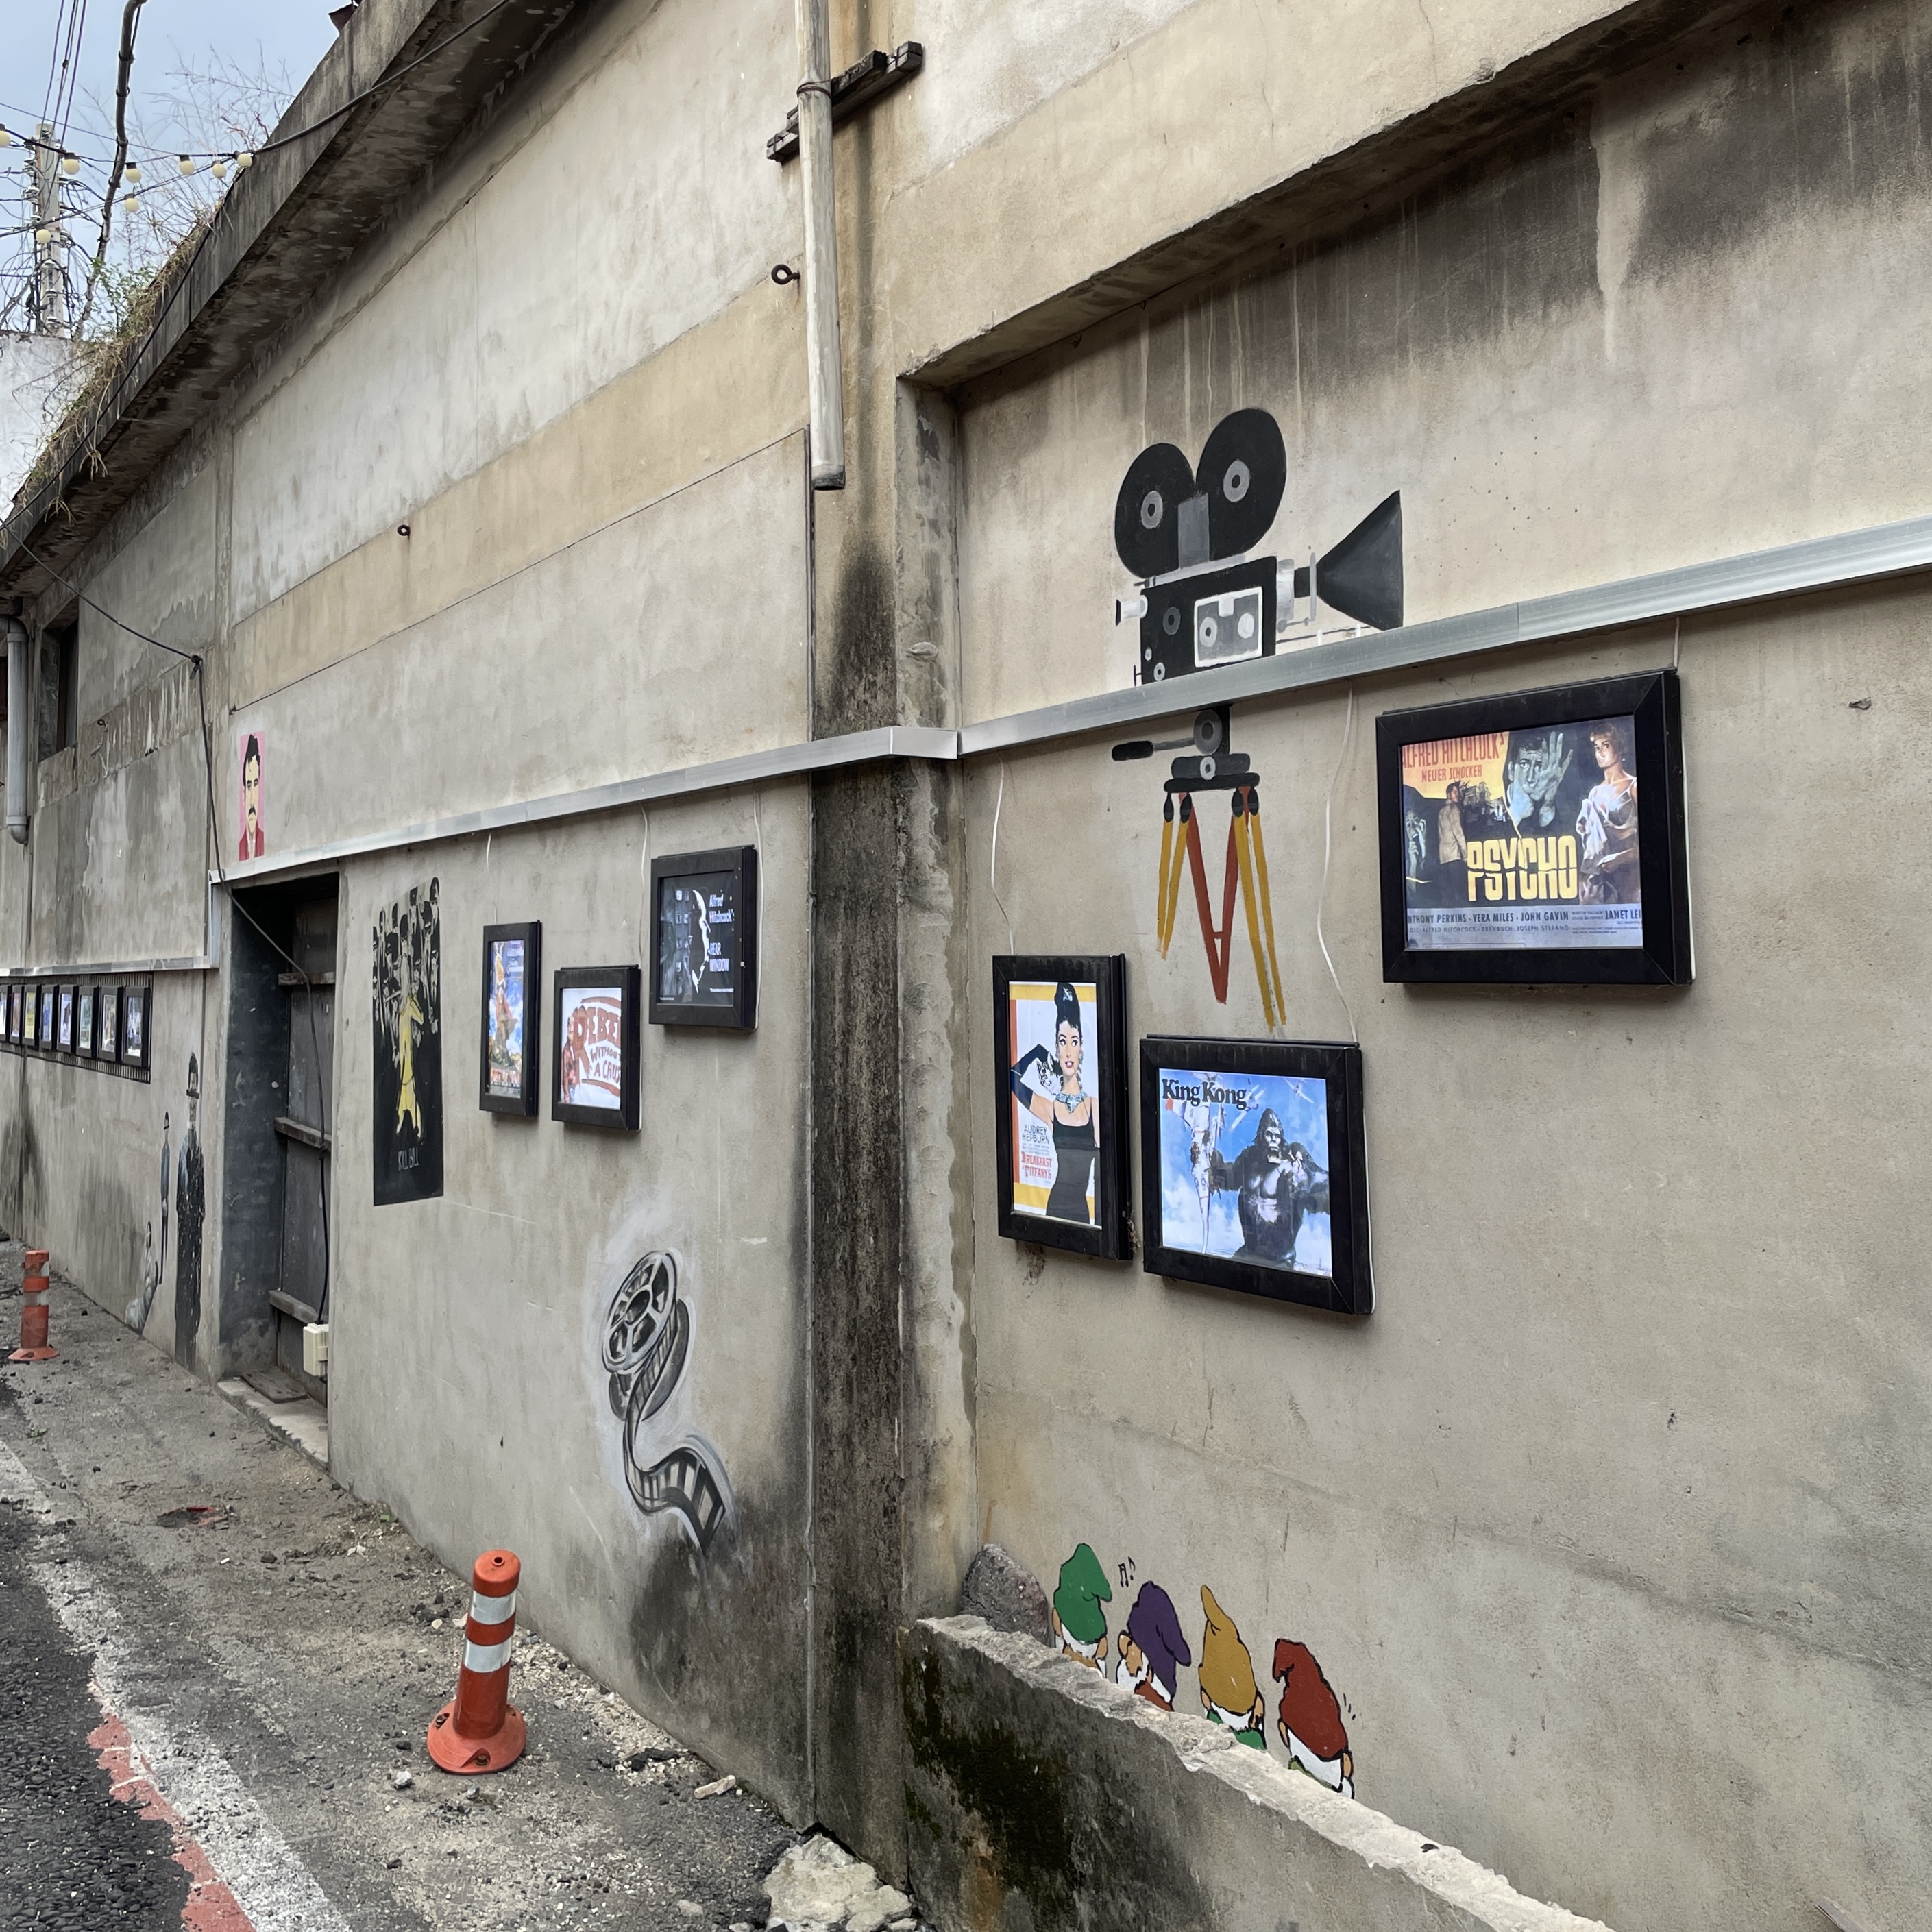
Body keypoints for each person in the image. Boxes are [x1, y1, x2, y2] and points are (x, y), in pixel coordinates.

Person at [1008, 983, 1098, 1225]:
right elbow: (1012, 1079)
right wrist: (1036, 1053)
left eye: (1074, 1041)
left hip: (1081, 1211)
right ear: (1056, 1048)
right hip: (1056, 1205)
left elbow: (1104, 1172)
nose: (1068, 1050)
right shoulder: (1051, 1109)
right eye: (1062, 1041)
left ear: (1081, 1047)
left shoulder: (1093, 1106)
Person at [1209, 1108, 1329, 1268]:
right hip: (1250, 1252)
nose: (1273, 1140)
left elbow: (1320, 1183)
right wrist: (1211, 1161)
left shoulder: (1292, 1161)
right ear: (1261, 1136)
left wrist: (1300, 1170)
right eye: (1269, 1134)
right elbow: (1229, 1178)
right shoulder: (1250, 1158)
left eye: (1276, 1136)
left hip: (1280, 1259)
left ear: (1281, 1138)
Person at [1576, 720, 1639, 903]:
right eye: (1597, 747)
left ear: (1620, 749)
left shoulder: (1633, 786)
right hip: (1601, 887)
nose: (1600, 752)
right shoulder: (1594, 794)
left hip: (1632, 885)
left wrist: (1620, 859)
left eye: (1606, 745)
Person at [1435, 780, 1468, 904]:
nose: (1457, 794)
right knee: (1458, 893)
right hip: (1454, 855)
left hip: (1443, 856)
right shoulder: (1453, 809)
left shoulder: (1441, 811)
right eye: (1454, 792)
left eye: (1457, 792)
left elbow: (1440, 834)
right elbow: (1458, 832)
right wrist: (1465, 854)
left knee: (1447, 894)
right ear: (1448, 795)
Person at [239, 735, 264, 861]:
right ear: (244, 794)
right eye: (249, 786)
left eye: (256, 784)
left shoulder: (263, 841)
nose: (253, 797)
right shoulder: (240, 847)